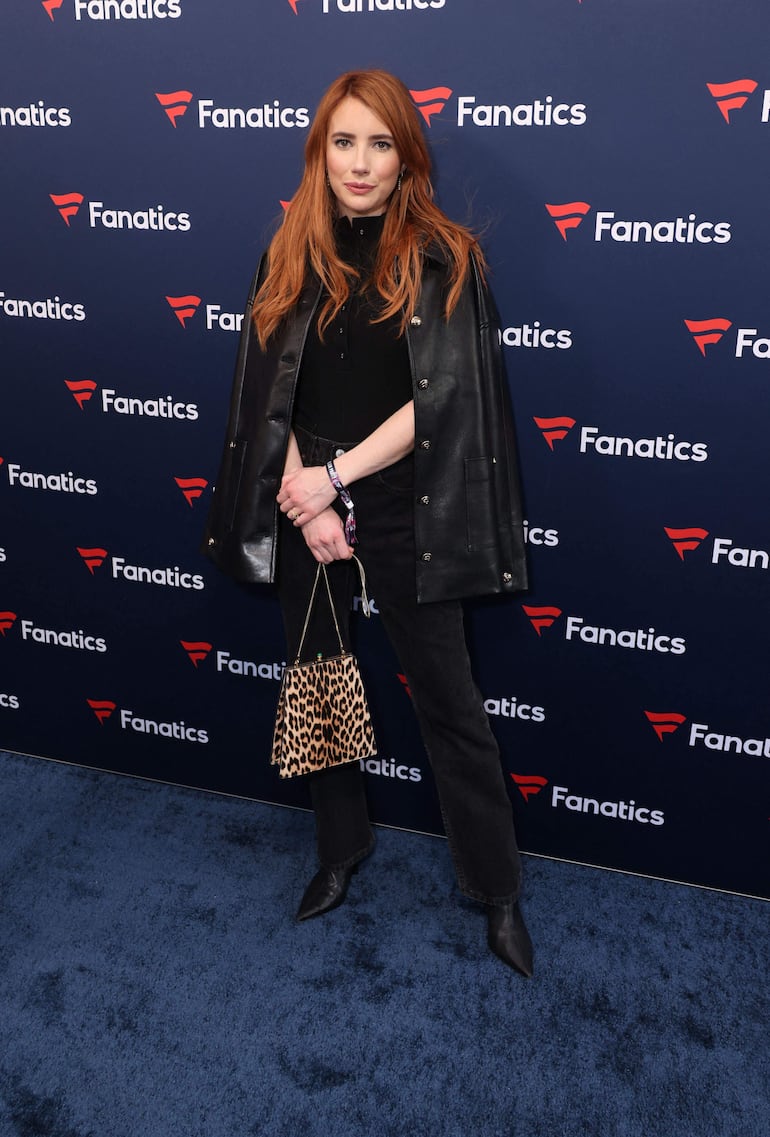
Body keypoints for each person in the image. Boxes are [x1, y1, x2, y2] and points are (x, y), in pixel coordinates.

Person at [202, 69, 533, 976]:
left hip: (403, 497)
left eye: (379, 144)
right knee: (317, 677)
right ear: (320, 150)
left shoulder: (444, 255)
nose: (359, 162)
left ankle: (496, 889)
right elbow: (270, 393)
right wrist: (306, 489)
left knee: (453, 703)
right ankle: (338, 852)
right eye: (343, 141)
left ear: (406, 156)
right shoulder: (289, 250)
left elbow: (444, 401)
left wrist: (338, 480)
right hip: (304, 488)